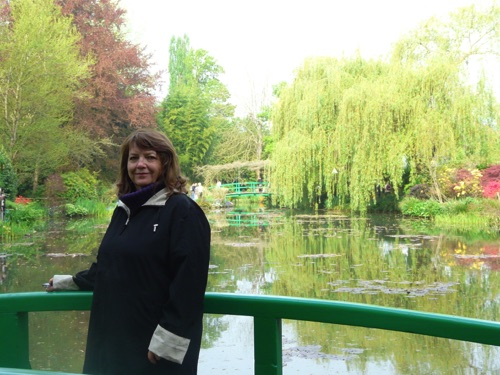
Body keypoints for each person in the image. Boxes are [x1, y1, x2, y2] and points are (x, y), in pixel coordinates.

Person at [46, 128, 211, 375]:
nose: (140, 165)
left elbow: (190, 283)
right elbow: (111, 266)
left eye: (150, 157)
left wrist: (167, 340)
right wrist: (70, 282)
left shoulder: (181, 210)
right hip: (112, 339)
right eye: (134, 158)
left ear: (165, 163)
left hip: (152, 348)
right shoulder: (124, 211)